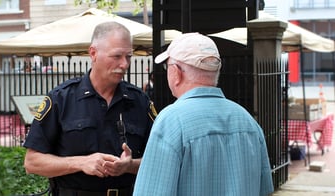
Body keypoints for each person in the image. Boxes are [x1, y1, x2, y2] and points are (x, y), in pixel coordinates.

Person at [23, 21, 156, 196]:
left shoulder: (140, 101)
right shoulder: (61, 99)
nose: (124, 64)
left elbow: (159, 163)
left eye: (129, 56)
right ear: (93, 53)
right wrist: (80, 163)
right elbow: (32, 162)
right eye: (116, 56)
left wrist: (130, 166)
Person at [133, 32, 274, 196]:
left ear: (175, 72)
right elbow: (265, 190)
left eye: (167, 66)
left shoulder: (171, 121)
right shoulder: (248, 121)